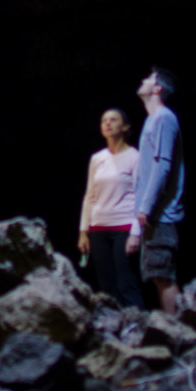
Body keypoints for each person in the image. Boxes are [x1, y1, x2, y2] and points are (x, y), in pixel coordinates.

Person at [126, 68, 185, 314]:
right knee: (158, 276)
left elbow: (162, 166)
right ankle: (176, 330)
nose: (142, 80)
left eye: (148, 79)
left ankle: (180, 331)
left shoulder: (163, 118)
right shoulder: (152, 120)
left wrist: (147, 208)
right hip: (152, 215)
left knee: (163, 275)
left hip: (161, 214)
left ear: (157, 88)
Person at [77, 107, 142, 307]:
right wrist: (83, 232)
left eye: (113, 120)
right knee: (106, 287)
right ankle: (114, 331)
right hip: (98, 228)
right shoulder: (97, 159)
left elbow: (141, 195)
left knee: (126, 284)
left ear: (125, 127)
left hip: (123, 227)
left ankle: (139, 328)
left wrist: (136, 232)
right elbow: (90, 195)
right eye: (104, 120)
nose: (107, 123)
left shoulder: (134, 156)